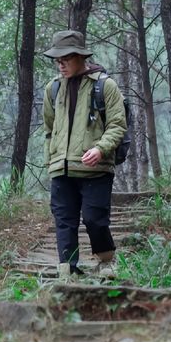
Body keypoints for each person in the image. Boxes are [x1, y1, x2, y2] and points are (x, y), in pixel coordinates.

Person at [42, 29, 127, 280]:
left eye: (65, 59)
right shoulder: (53, 89)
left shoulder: (105, 86)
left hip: (95, 168)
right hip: (61, 168)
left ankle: (106, 262)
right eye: (57, 60)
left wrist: (100, 149)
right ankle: (68, 270)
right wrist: (52, 158)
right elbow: (49, 128)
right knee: (64, 220)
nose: (60, 65)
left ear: (80, 56)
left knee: (94, 218)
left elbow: (117, 125)